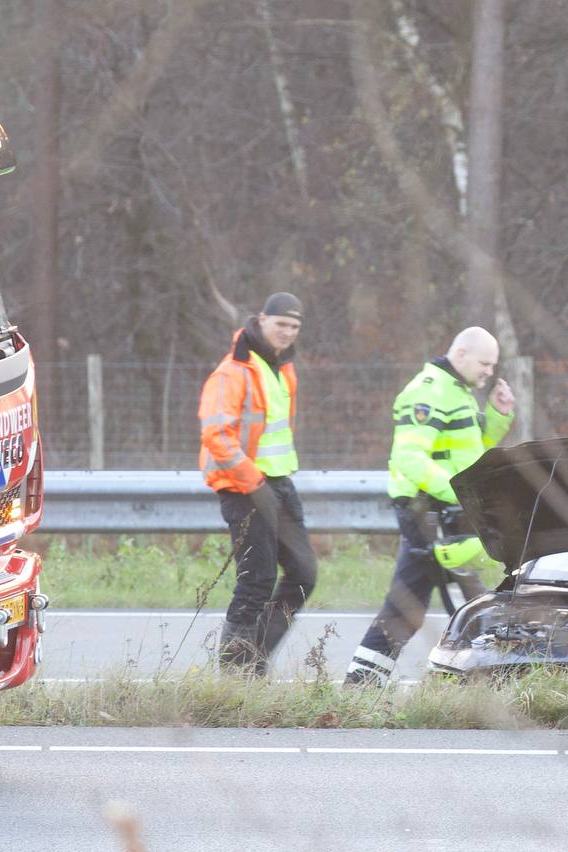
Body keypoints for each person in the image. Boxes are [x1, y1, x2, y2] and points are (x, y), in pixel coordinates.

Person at [347, 326, 517, 686]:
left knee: (412, 606)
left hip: (443, 510)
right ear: (460, 355)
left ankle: (361, 683)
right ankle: (482, 684)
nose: (489, 371)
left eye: (493, 365)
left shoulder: (459, 391)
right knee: (467, 600)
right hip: (428, 510)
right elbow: (410, 458)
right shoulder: (428, 392)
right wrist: (462, 494)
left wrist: (498, 417)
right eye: (485, 363)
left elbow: (466, 450)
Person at [199, 292, 316, 672]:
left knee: (303, 573)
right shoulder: (233, 371)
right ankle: (235, 676)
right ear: (261, 320)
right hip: (244, 487)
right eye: (281, 324)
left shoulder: (282, 368)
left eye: (294, 327)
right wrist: (253, 482)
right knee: (256, 582)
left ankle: (254, 660)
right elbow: (217, 436)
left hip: (279, 482)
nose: (287, 332)